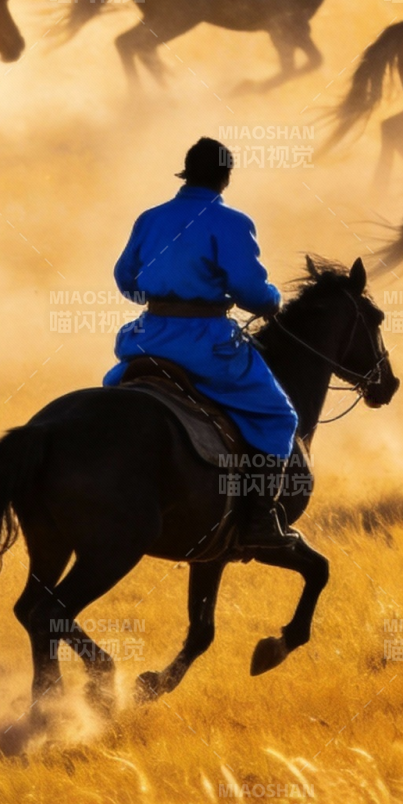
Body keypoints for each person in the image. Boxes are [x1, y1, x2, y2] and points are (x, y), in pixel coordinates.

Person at [105, 136, 301, 547]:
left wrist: (162, 297)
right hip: (207, 345)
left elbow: (126, 280)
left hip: (148, 339)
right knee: (278, 415)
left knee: (112, 394)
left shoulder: (150, 217)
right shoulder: (233, 222)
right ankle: (261, 521)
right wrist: (272, 301)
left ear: (186, 172)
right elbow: (251, 291)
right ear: (226, 178)